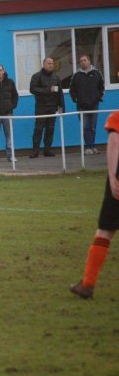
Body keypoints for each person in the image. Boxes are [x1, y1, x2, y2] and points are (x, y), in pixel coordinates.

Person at [70, 111, 119, 299]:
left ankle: (88, 284)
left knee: (105, 230)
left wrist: (113, 176)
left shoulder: (116, 117)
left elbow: (115, 142)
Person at [29, 57, 65, 158]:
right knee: (38, 129)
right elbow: (32, 89)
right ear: (43, 64)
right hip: (41, 107)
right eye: (49, 63)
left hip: (52, 107)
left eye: (52, 64)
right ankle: (35, 151)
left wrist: (61, 107)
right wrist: (48, 90)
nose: (51, 65)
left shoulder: (56, 77)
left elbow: (60, 93)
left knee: (50, 129)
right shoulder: (37, 76)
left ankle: (47, 149)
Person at [69, 55, 105, 155]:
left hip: (94, 105)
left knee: (93, 127)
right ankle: (88, 147)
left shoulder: (97, 73)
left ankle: (93, 146)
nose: (83, 62)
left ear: (89, 61)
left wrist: (99, 98)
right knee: (85, 127)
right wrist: (76, 99)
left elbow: (102, 87)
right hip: (82, 106)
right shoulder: (76, 75)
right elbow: (72, 90)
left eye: (84, 60)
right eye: (81, 61)